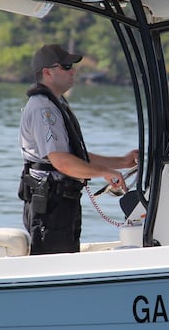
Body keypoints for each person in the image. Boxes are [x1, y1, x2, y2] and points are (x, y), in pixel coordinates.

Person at [18, 44, 138, 254]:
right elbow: (62, 161)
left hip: (62, 203)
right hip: (51, 206)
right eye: (66, 66)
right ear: (47, 72)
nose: (73, 70)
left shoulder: (55, 103)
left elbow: (76, 157)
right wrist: (104, 173)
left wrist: (122, 161)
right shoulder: (43, 108)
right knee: (54, 269)